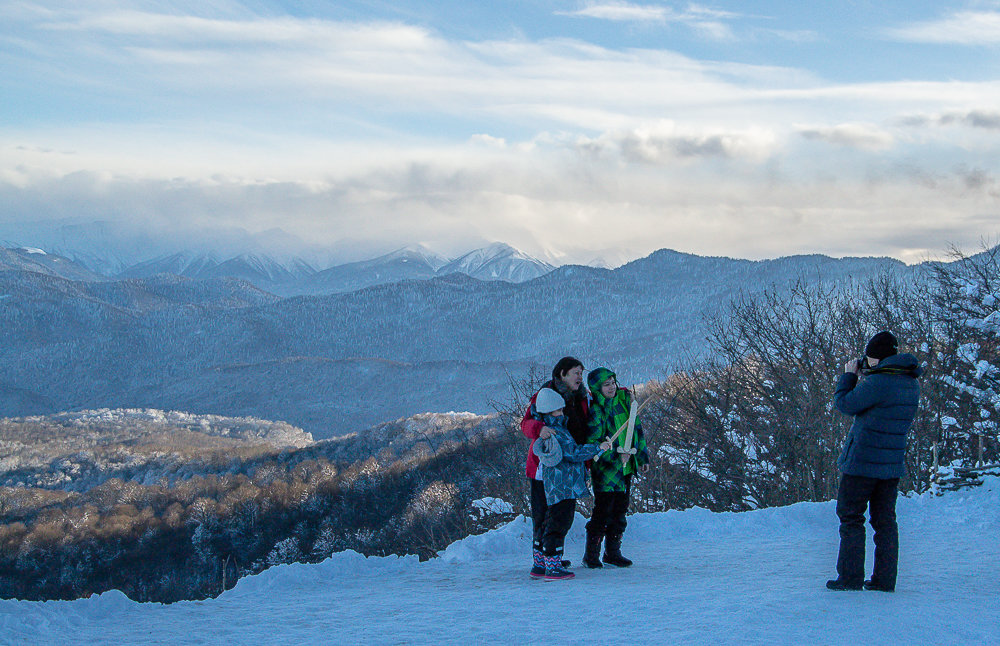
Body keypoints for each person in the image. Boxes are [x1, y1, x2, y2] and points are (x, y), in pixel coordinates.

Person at [826, 331, 922, 592]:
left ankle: (849, 578)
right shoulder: (910, 383)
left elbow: (845, 404)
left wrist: (849, 376)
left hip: (862, 462)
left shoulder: (879, 383)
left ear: (877, 359)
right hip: (891, 464)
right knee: (885, 522)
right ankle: (884, 580)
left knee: (851, 517)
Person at [530, 387, 610, 580]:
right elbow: (573, 453)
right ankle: (553, 564)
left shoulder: (548, 431)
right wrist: (597, 448)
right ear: (548, 412)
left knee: (548, 520)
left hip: (554, 484)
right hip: (564, 485)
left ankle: (541, 562)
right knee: (560, 521)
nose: (562, 413)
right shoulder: (558, 432)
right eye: (558, 410)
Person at [521, 357, 591, 578]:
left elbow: (585, 428)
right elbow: (525, 423)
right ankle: (545, 559)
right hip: (546, 467)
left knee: (553, 513)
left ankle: (547, 557)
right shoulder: (545, 395)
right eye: (575, 373)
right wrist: (539, 428)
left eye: (581, 372)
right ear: (562, 374)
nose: (580, 377)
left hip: (570, 465)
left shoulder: (583, 397)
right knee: (548, 513)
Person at [583, 367, 650, 568]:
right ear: (597, 388)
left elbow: (636, 430)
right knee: (603, 511)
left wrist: (642, 457)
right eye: (606, 384)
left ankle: (613, 552)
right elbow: (594, 445)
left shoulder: (625, 402)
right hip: (606, 472)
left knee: (621, 509)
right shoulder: (597, 410)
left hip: (626, 467)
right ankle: (591, 554)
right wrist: (615, 456)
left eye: (612, 382)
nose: (611, 387)